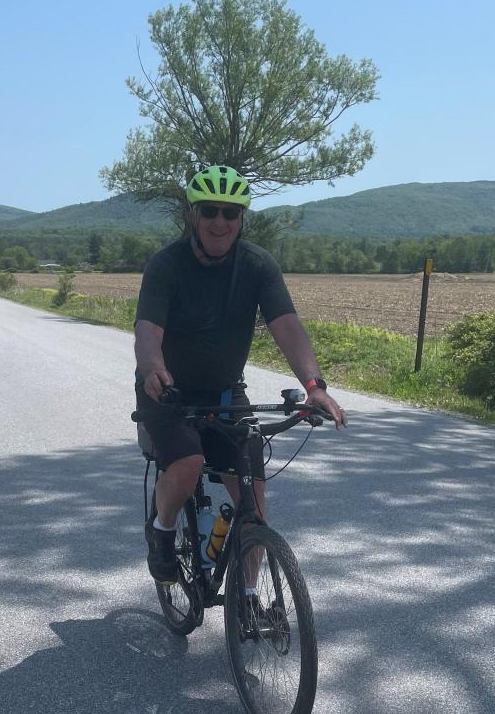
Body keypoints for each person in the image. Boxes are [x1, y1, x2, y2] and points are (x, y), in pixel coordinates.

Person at [135, 164, 347, 583]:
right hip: (169, 394)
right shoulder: (167, 265)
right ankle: (162, 531)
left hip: (226, 394)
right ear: (193, 216)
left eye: (230, 213)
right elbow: (147, 333)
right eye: (210, 211)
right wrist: (153, 369)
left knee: (253, 502)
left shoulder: (256, 265)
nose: (220, 222)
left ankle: (251, 600)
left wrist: (313, 386)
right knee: (189, 462)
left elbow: (287, 325)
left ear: (241, 219)